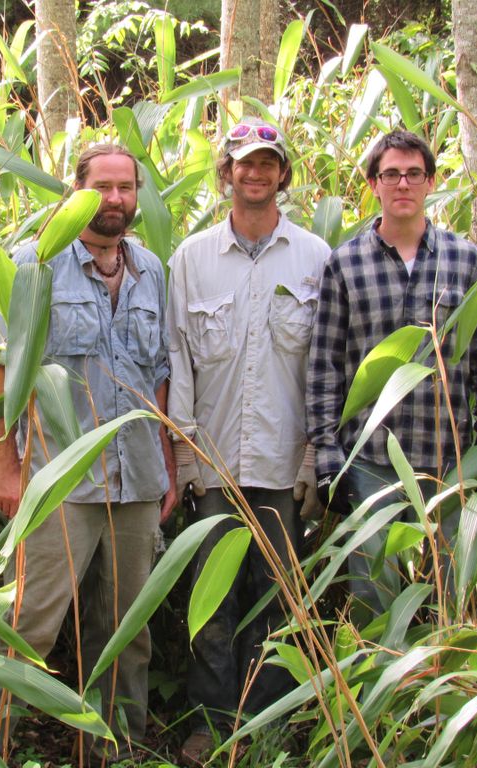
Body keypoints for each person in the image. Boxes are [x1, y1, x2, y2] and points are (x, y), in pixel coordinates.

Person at [0, 144, 177, 760]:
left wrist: (165, 462)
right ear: (74, 192)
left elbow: (159, 373)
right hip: (57, 479)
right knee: (26, 624)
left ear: (138, 195)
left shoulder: (150, 270)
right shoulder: (34, 264)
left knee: (126, 632)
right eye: (101, 186)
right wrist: (7, 468)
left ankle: (114, 749)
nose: (114, 198)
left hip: (137, 480)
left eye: (126, 187)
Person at [167, 118, 330, 763]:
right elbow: (179, 360)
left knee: (277, 597)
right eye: (244, 163)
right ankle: (209, 724)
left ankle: (265, 727)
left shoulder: (315, 256)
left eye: (268, 163)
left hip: (284, 464)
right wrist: (185, 460)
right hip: (213, 465)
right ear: (227, 173)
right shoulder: (192, 259)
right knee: (210, 600)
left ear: (282, 174)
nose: (256, 173)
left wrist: (313, 461)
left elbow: (325, 366)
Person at [307, 129, 477, 618]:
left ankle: (450, 664)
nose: (402, 184)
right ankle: (377, 666)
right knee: (373, 593)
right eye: (391, 174)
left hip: (450, 456)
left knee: (453, 590)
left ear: (431, 182)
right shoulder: (345, 264)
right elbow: (325, 366)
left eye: (414, 174)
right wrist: (328, 456)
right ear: (373, 183)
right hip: (371, 459)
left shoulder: (464, 259)